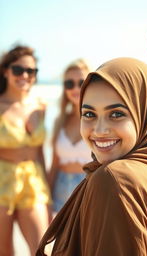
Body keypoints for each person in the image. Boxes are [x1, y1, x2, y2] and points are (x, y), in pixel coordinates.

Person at [36, 57, 147, 255]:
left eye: (116, 114)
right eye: (89, 114)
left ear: (146, 115)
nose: (99, 130)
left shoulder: (115, 180)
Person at [0, 45, 51, 256]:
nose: (25, 75)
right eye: (18, 69)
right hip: (2, 182)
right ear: (6, 71)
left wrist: (47, 192)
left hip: (34, 181)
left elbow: (39, 152)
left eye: (31, 71)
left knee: (41, 249)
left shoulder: (40, 106)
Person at [48, 59, 92, 213]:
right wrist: (47, 200)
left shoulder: (100, 119)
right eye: (69, 83)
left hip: (90, 189)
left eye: (81, 82)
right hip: (61, 190)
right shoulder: (60, 121)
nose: (75, 88)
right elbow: (54, 165)